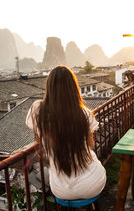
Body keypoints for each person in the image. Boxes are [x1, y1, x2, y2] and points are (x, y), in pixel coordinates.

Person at [26, 65, 106, 201]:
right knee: (92, 160)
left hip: (62, 190)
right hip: (92, 184)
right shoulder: (84, 114)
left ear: (49, 87)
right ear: (73, 87)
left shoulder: (37, 110)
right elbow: (90, 145)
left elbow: (35, 130)